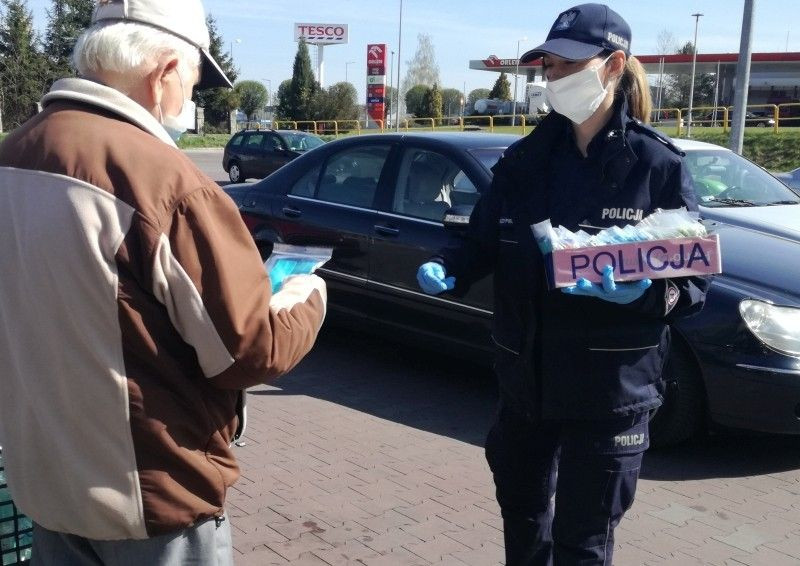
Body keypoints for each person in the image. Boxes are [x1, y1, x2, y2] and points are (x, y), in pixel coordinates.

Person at [0, 1, 326, 564]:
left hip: (46, 488)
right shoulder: (164, 181)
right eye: (193, 83)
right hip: (150, 501)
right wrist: (307, 295)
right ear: (164, 72)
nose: (189, 99)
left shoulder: (13, 155)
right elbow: (249, 350)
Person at [417, 4, 708, 565]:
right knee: (523, 521)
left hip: (609, 392)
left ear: (613, 65)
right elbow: (481, 240)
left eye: (568, 65)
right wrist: (450, 265)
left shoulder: (655, 166)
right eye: (548, 66)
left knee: (584, 541)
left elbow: (694, 281)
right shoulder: (524, 161)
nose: (553, 78)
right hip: (526, 383)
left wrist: (648, 293)